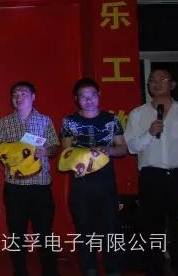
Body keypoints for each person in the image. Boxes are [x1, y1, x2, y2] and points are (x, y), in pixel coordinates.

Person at [124, 68, 178, 276]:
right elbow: (131, 147)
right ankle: (155, 269)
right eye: (152, 80)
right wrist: (149, 133)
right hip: (152, 177)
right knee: (152, 229)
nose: (156, 83)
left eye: (162, 79)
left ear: (173, 85)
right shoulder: (138, 114)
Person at [61, 77, 126, 276]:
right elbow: (66, 152)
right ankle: (89, 268)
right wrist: (80, 158)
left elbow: (122, 148)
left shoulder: (111, 120)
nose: (88, 100)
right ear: (76, 99)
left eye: (92, 95)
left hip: (105, 181)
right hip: (81, 181)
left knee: (111, 228)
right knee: (84, 228)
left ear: (99, 95)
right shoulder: (69, 121)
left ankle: (113, 269)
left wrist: (109, 150)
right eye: (83, 96)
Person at [0, 81, 59, 276]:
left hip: (40, 186)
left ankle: (50, 271)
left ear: (33, 97)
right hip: (15, 187)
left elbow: (55, 147)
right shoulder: (4, 123)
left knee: (45, 232)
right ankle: (19, 271)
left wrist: (47, 151)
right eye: (15, 94)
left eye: (23, 93)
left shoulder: (45, 120)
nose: (18, 97)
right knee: (16, 233)